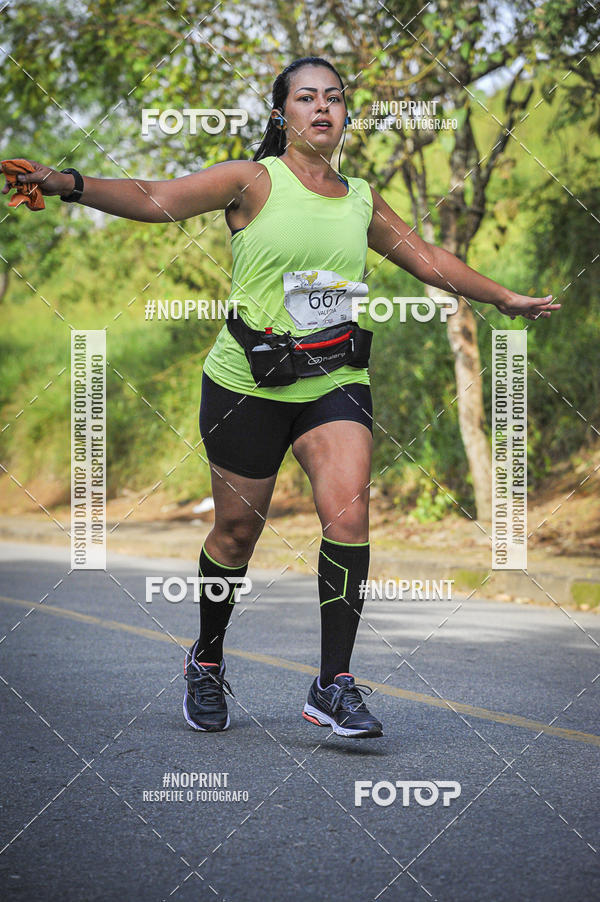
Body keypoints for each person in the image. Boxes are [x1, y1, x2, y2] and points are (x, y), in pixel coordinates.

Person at [4, 56, 560, 740]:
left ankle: (333, 683)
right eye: (306, 98)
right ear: (282, 114)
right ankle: (206, 659)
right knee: (237, 533)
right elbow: (156, 198)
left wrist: (504, 297)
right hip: (247, 383)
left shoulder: (360, 196)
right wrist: (66, 183)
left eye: (333, 98)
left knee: (349, 514)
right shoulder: (251, 181)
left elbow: (429, 259)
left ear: (346, 114)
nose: (322, 107)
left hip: (334, 380)